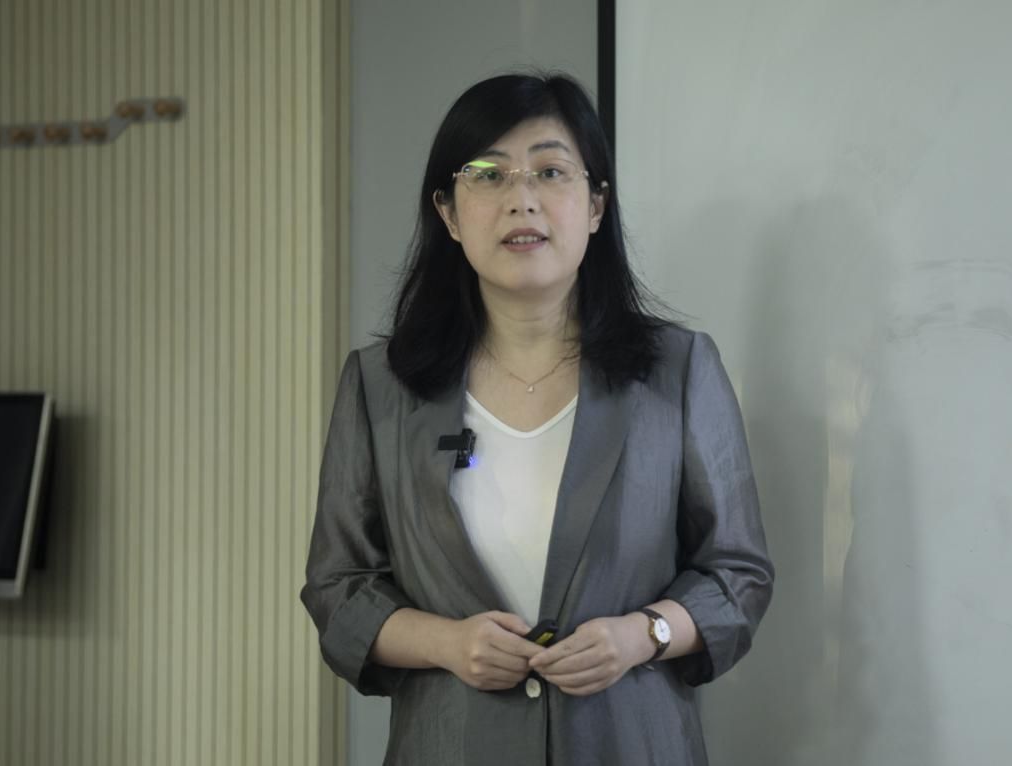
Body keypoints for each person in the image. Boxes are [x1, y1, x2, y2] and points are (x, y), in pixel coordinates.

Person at [300, 72, 774, 765]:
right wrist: (446, 643)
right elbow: (337, 588)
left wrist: (643, 635)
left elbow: (737, 572)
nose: (521, 199)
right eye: (488, 175)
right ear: (449, 214)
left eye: (550, 171)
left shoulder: (677, 371)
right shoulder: (381, 386)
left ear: (595, 205)